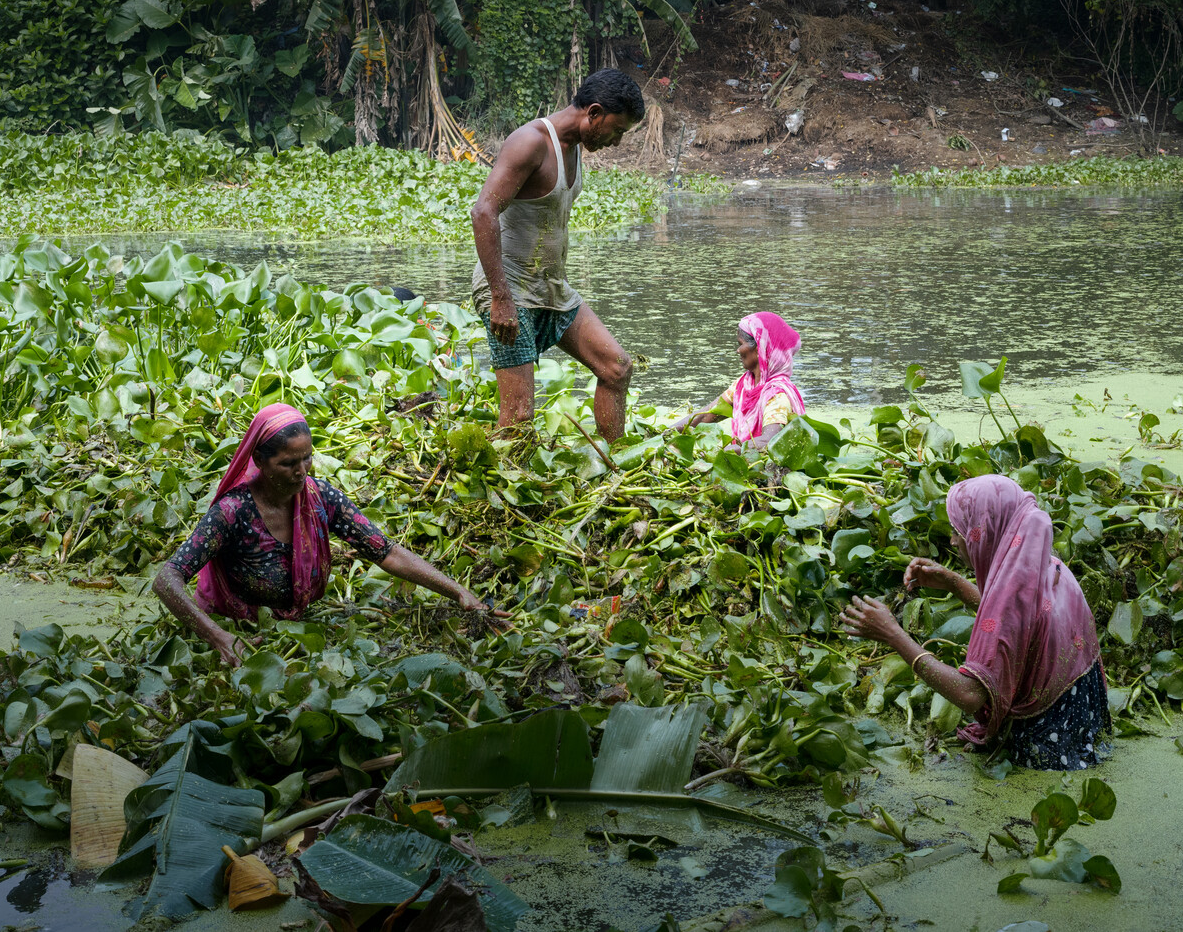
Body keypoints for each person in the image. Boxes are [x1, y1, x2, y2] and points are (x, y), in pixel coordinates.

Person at [152, 404, 503, 666]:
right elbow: (166, 579)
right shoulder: (232, 513)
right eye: (288, 463)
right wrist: (216, 636)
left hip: (298, 626)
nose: (300, 472)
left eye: (307, 459)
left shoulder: (320, 498)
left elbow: (388, 553)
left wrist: (459, 593)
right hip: (240, 632)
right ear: (259, 459)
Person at [838, 474, 1108, 770]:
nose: (953, 540)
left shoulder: (1009, 595)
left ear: (986, 532)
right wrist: (954, 582)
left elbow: (970, 695)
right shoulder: (1049, 566)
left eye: (960, 531)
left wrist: (892, 634)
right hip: (1083, 722)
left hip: (1048, 744)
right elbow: (1018, 620)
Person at [471, 68, 644, 442]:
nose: (615, 142)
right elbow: (483, 211)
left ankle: (617, 463)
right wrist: (501, 298)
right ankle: (499, 484)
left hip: (552, 289)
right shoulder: (530, 142)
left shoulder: (576, 149)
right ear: (593, 113)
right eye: (616, 130)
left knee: (616, 368)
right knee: (518, 417)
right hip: (511, 289)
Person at [668, 312, 806, 448]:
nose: (738, 350)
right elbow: (706, 416)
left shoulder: (776, 394)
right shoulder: (745, 384)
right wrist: (665, 433)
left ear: (760, 349)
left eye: (741, 344)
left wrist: (728, 451)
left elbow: (769, 441)